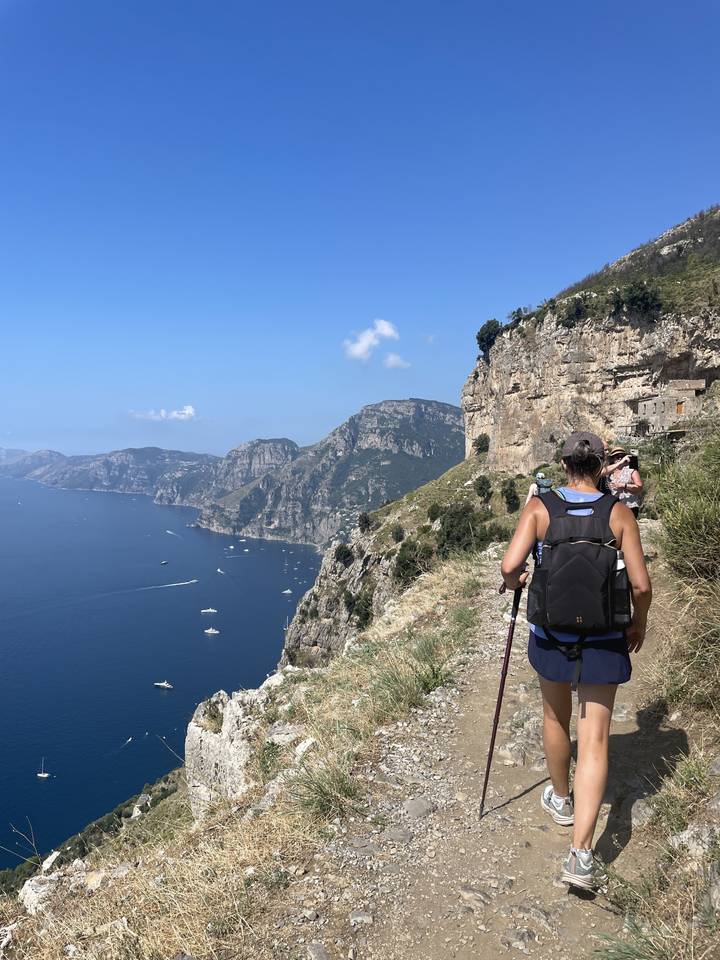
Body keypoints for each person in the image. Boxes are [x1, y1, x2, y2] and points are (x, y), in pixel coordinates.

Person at [500, 431, 652, 891]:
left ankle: (561, 799)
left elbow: (510, 567)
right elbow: (642, 587)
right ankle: (582, 855)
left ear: (564, 464)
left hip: (552, 634)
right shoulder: (620, 512)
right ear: (602, 466)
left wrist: (519, 580)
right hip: (605, 636)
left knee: (554, 715)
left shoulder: (540, 507)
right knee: (597, 738)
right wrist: (638, 625)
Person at [606, 447, 643, 517]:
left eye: (622, 456)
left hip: (630, 506)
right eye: (617, 456)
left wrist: (623, 485)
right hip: (614, 507)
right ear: (613, 458)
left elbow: (639, 487)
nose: (620, 459)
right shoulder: (609, 472)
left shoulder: (631, 470)